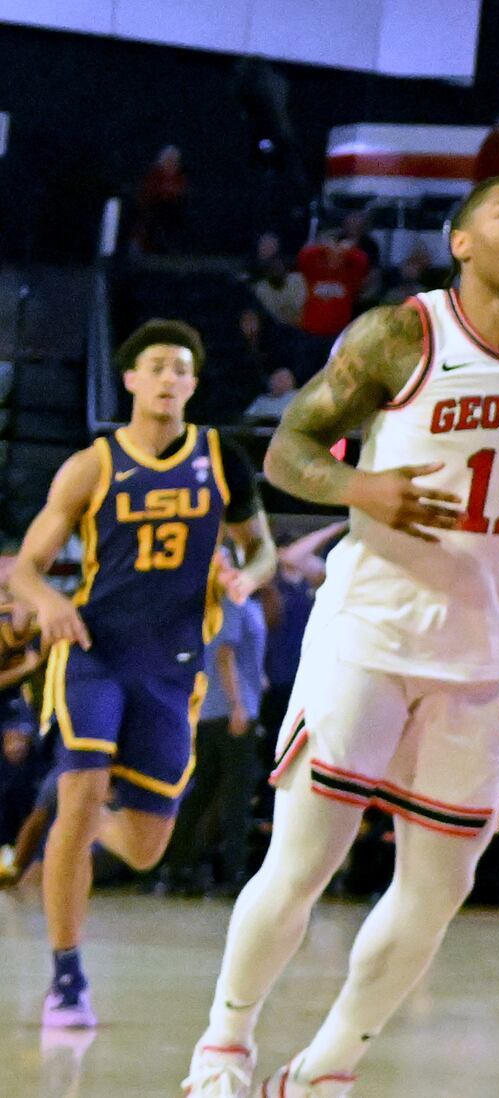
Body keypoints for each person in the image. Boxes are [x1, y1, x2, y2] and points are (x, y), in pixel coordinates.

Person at [182, 178, 499, 1098]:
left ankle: (327, 1065)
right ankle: (225, 1042)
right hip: (368, 634)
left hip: (482, 650)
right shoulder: (400, 334)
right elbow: (288, 447)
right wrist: (358, 488)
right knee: (302, 864)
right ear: (460, 242)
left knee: (439, 887)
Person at [6, 322, 272, 1027]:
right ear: (129, 379)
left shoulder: (223, 459)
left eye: (181, 369)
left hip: (172, 670)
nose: (167, 379)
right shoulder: (91, 466)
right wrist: (50, 602)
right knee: (86, 787)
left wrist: (248, 576)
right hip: (93, 651)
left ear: (192, 383)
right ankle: (67, 980)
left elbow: (262, 548)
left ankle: (72, 815)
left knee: (149, 848)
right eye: (155, 366)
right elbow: (23, 569)